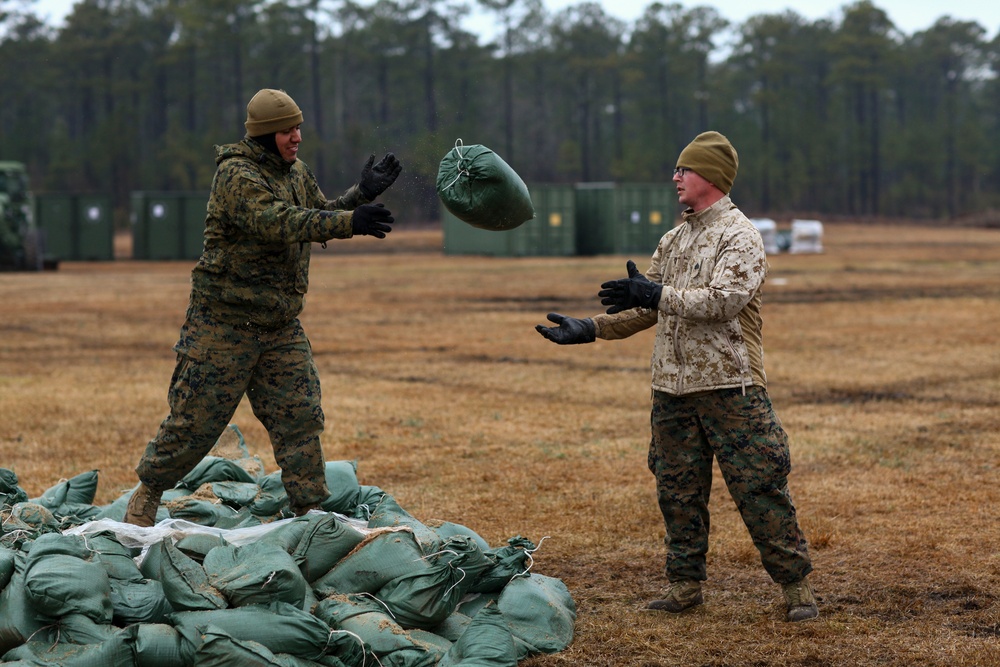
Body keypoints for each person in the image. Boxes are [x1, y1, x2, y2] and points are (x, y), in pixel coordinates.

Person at [535, 131, 818, 622]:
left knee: (760, 487)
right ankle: (685, 587)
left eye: (683, 170)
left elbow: (723, 300)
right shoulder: (674, 239)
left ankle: (796, 589)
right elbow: (649, 310)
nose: (675, 179)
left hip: (732, 388)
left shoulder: (740, 236)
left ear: (709, 176)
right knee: (677, 490)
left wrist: (654, 295)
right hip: (672, 391)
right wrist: (591, 328)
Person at [125, 88, 402, 527]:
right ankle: (149, 493)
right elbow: (277, 222)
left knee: (301, 415)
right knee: (193, 423)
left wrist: (358, 196)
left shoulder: (296, 172)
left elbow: (316, 214)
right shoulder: (236, 175)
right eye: (288, 131)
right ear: (265, 134)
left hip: (278, 325)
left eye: (298, 129)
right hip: (224, 324)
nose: (296, 138)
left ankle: (310, 509)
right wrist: (351, 223)